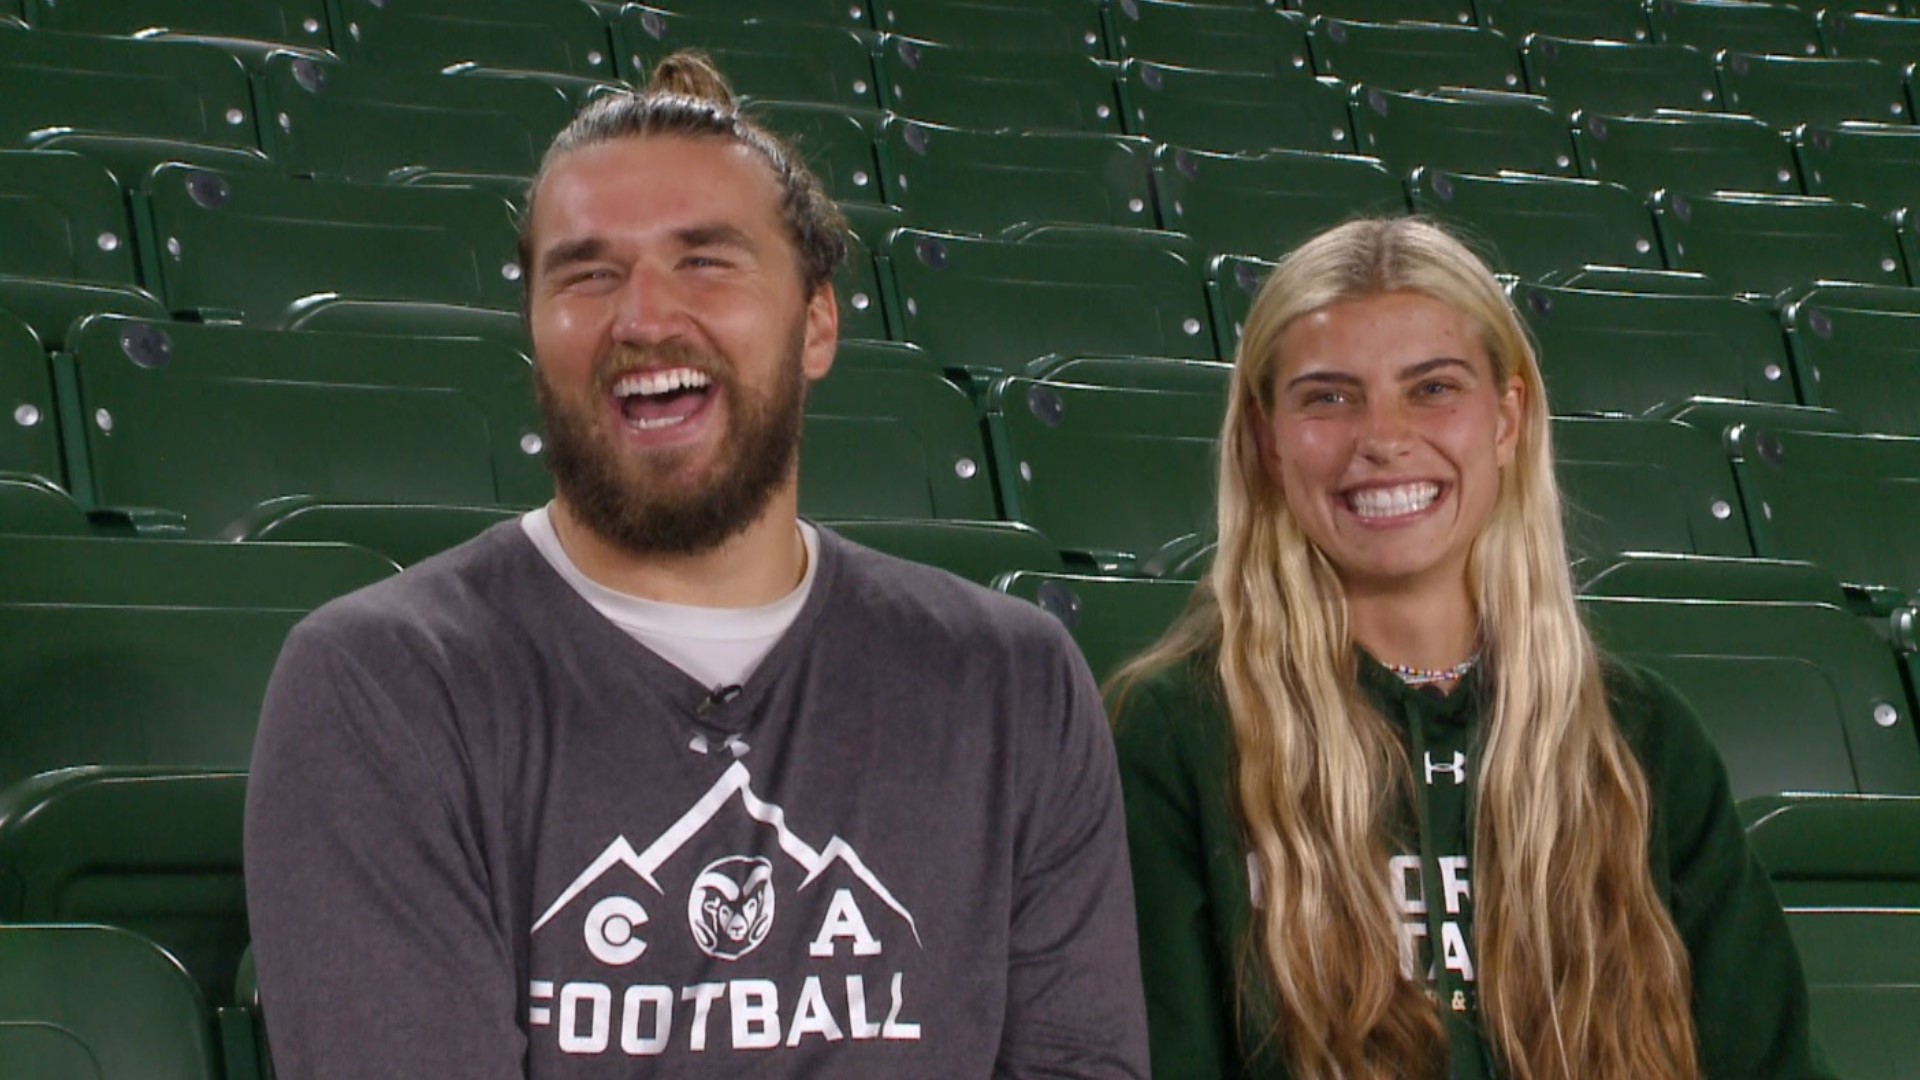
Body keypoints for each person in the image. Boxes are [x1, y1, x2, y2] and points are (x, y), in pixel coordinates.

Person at [245, 52, 1148, 1079]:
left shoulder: (1013, 683)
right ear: (533, 333)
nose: (642, 318)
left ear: (816, 324)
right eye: (587, 273)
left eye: (706, 261)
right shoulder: (383, 683)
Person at [1109, 217, 1830, 1080]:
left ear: (1507, 417)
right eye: (1328, 397)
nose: (1382, 437)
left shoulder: (1640, 739)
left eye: (1433, 389)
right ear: (1266, 438)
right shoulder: (1175, 735)